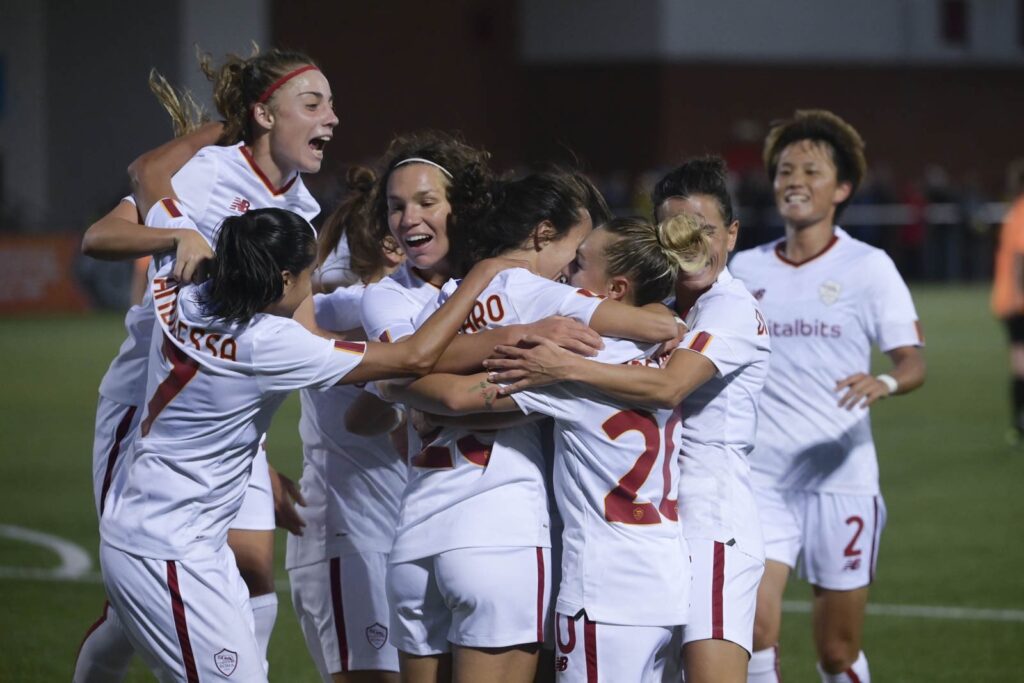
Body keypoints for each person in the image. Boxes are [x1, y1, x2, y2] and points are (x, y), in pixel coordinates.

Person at [99, 206, 521, 683]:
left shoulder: (180, 288)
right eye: (307, 274)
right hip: (168, 548)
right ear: (282, 279)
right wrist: (482, 276)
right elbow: (415, 355)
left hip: (170, 531)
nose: (312, 284)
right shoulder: (269, 343)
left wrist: (176, 235)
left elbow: (146, 185)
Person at [75, 47, 337, 681]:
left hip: (219, 415)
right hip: (146, 406)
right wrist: (174, 234)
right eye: (313, 103)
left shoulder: (301, 210)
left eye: (331, 104)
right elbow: (99, 238)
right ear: (265, 115)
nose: (332, 118)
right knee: (135, 593)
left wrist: (257, 448)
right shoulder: (208, 172)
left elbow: (278, 340)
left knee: (251, 573)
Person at [380, 171, 679, 683]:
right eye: (576, 247)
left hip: (414, 531)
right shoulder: (547, 298)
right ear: (544, 236)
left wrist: (406, 392)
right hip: (498, 531)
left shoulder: (447, 298)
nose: (573, 266)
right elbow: (657, 326)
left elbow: (400, 375)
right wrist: (666, 319)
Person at [485, 158, 771, 683]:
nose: (691, 243)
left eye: (704, 230)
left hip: (712, 523)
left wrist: (563, 364)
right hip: (658, 547)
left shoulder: (728, 308)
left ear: (731, 234)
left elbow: (668, 388)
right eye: (674, 231)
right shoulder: (650, 321)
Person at [728, 110, 926, 683]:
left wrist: (883, 382)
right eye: (785, 169)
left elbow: (912, 361)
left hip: (842, 478)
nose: (794, 180)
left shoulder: (869, 267)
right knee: (754, 631)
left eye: (811, 170)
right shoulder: (745, 269)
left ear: (841, 189)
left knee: (836, 652)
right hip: (761, 478)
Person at [286, 166, 407, 683]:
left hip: (390, 534)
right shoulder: (344, 308)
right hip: (347, 537)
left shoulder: (390, 307)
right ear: (392, 246)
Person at [990, 159, 1024, 444]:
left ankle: (1018, 424)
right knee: (1020, 361)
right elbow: (1020, 257)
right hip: (1018, 302)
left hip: (1008, 300)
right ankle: (1020, 423)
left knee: (1019, 360)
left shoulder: (1015, 211)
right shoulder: (1022, 211)